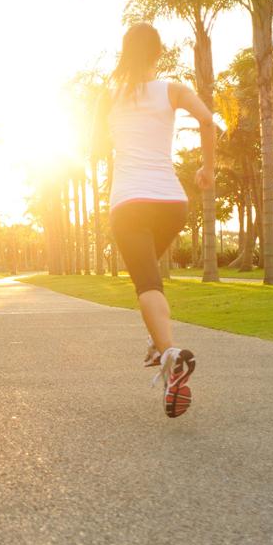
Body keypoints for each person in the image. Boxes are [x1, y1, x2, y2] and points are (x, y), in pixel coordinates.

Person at [91, 22, 217, 418]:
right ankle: (158, 342)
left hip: (129, 203)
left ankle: (170, 357)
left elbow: (93, 146)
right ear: (159, 54)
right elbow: (209, 120)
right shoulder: (173, 89)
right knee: (151, 283)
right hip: (172, 204)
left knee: (146, 283)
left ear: (124, 53)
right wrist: (207, 168)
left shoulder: (108, 97)